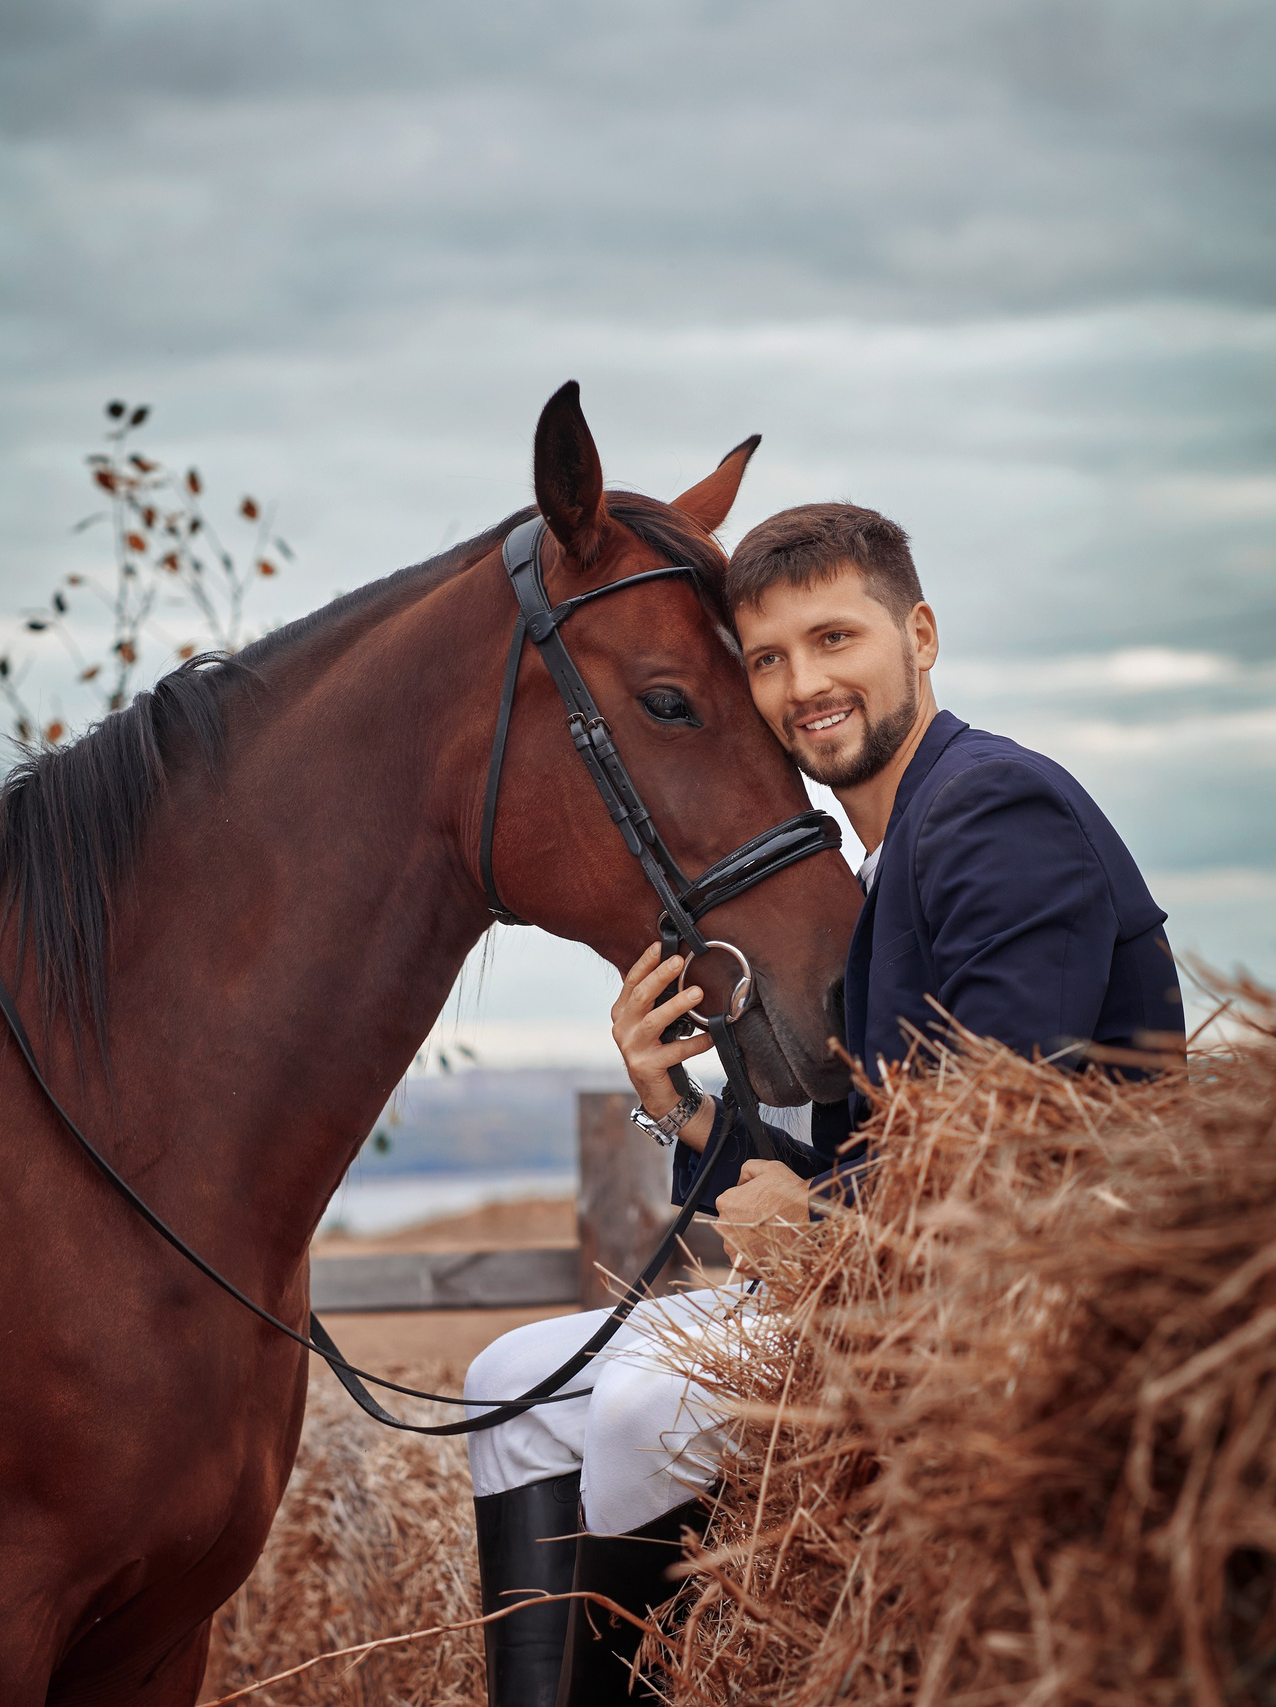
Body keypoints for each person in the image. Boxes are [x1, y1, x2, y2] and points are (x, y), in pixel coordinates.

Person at [464, 503, 1182, 1705]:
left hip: (1027, 1289)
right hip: (888, 1271)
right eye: (769, 659)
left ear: (921, 635)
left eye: (836, 639)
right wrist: (678, 1109)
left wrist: (824, 1228)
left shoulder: (993, 812)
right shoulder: (878, 864)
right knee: (511, 1381)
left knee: (651, 1401)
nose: (806, 684)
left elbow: (1015, 1129)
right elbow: (848, 1155)